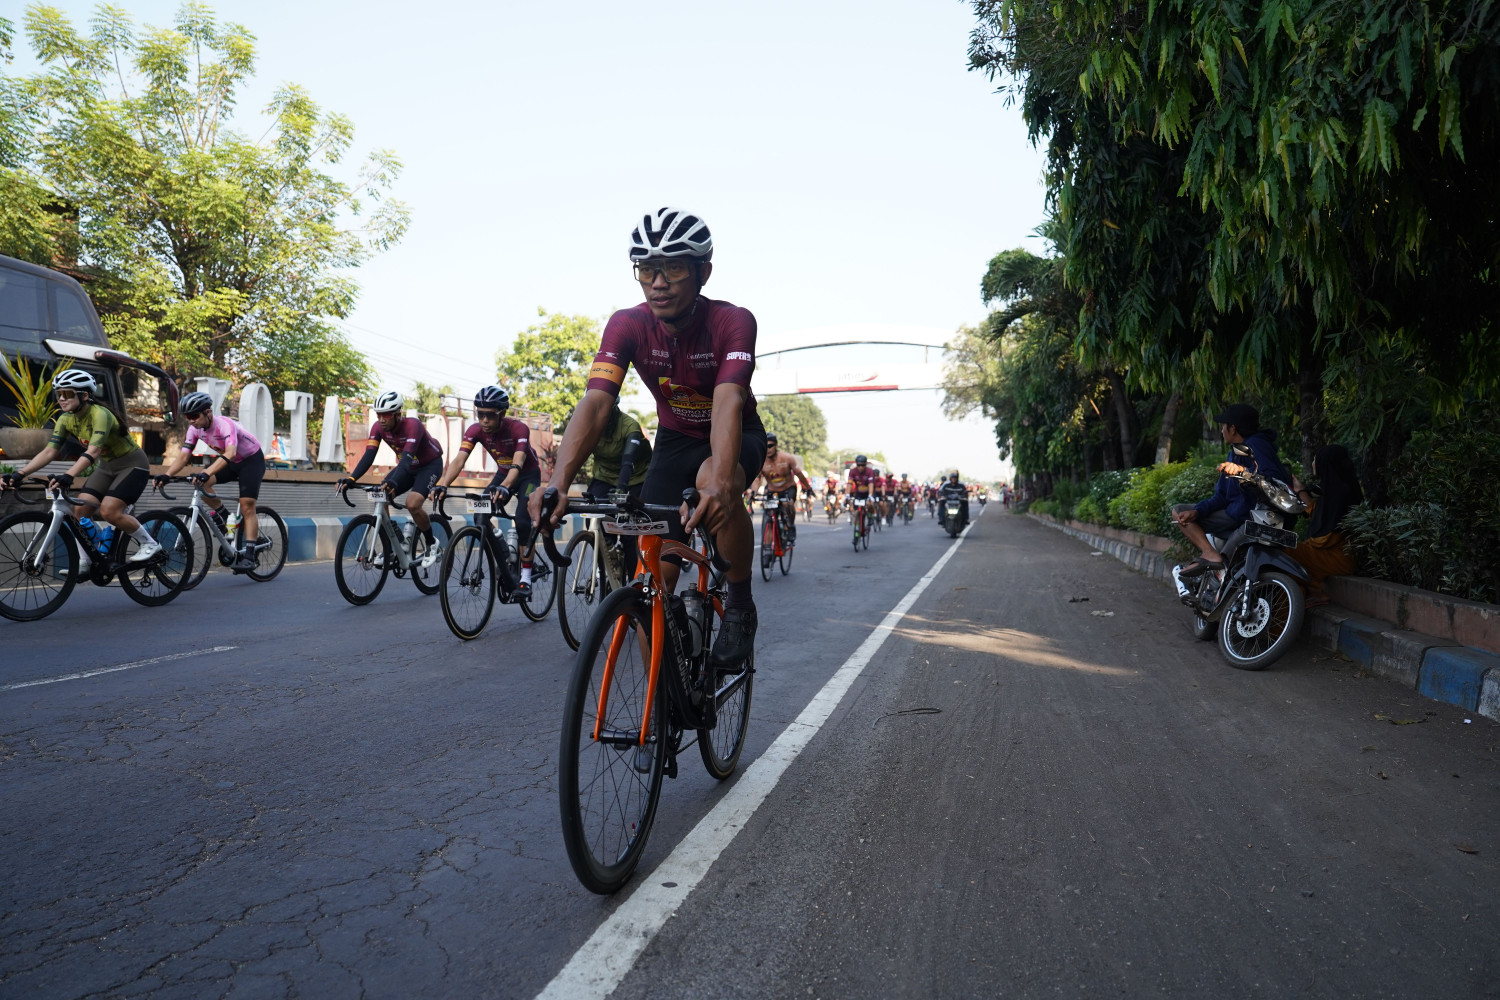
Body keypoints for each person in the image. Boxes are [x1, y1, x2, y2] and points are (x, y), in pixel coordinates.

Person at [531, 207, 765, 668]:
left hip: (733, 434)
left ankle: (740, 603)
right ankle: (663, 700)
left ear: (703, 273)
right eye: (646, 269)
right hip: (673, 443)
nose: (658, 283)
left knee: (712, 478)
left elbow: (728, 400)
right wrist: (558, 482)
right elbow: (596, 403)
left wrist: (721, 482)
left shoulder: (733, 321)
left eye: (673, 268)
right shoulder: (628, 323)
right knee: (650, 587)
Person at [0, 369, 161, 565]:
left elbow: (93, 451)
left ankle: (149, 543)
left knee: (109, 511)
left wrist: (69, 475)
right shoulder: (65, 419)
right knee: (80, 510)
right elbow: (49, 451)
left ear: (84, 395)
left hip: (133, 465)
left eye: (67, 394)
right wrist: (20, 474)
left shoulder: (100, 414)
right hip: (107, 466)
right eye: (59, 394)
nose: (62, 399)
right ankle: (87, 561)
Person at [431, 385, 543, 594]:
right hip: (503, 473)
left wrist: (505, 487)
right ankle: (502, 549)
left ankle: (526, 578)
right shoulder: (475, 431)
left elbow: (518, 462)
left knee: (522, 521)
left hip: (527, 475)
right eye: (480, 414)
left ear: (502, 414)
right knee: (480, 514)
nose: (484, 420)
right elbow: (459, 460)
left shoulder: (518, 429)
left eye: (490, 415)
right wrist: (443, 484)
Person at [1171, 402, 1291, 576]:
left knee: (1225, 569)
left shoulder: (1257, 444)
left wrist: (1243, 472)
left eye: (1223, 426)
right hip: (1235, 514)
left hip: (1254, 517)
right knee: (1180, 512)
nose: (1222, 431)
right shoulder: (1234, 453)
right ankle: (1210, 554)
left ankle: (1215, 562)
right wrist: (1197, 511)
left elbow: (1272, 479)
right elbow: (1221, 496)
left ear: (1232, 428)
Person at [154, 391, 267, 570]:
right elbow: (184, 457)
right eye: (187, 417)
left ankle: (250, 556)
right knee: (201, 483)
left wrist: (206, 471)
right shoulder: (194, 429)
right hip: (231, 462)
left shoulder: (225, 425)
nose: (191, 421)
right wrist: (167, 475)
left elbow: (230, 452)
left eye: (194, 416)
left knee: (247, 505)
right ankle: (226, 518)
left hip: (251, 461)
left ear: (208, 412)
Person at [337, 389, 444, 567]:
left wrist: (393, 481)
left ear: (397, 414)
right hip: (408, 467)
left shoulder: (413, 425)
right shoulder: (378, 428)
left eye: (385, 415)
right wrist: (352, 478)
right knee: (381, 495)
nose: (381, 419)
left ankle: (431, 543)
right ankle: (394, 545)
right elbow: (369, 455)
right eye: (378, 414)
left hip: (429, 465)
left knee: (412, 504)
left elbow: (406, 459)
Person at [1289, 444, 1364, 607]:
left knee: (1284, 551)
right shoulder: (1338, 488)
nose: (1313, 463)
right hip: (1337, 557)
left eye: (1316, 459)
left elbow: (1326, 538)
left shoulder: (1339, 492)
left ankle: (1316, 591)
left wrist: (1302, 544)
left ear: (1325, 463)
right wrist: (1300, 490)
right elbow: (1320, 515)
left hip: (1337, 559)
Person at [750, 432, 813, 536]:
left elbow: (799, 474)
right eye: (765, 446)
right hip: (772, 489)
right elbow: (757, 480)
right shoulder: (762, 461)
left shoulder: (787, 458)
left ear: (776, 446)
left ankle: (790, 525)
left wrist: (808, 488)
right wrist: (753, 492)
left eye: (770, 446)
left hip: (788, 488)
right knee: (768, 509)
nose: (768, 449)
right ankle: (769, 536)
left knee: (788, 504)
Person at [846, 456, 879, 535]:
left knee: (870, 503)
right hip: (859, 493)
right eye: (859, 465)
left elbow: (871, 484)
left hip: (869, 492)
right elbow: (850, 484)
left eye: (863, 465)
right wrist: (847, 494)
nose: (860, 467)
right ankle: (857, 533)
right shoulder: (852, 471)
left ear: (865, 464)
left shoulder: (870, 471)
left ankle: (870, 517)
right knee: (856, 512)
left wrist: (870, 496)